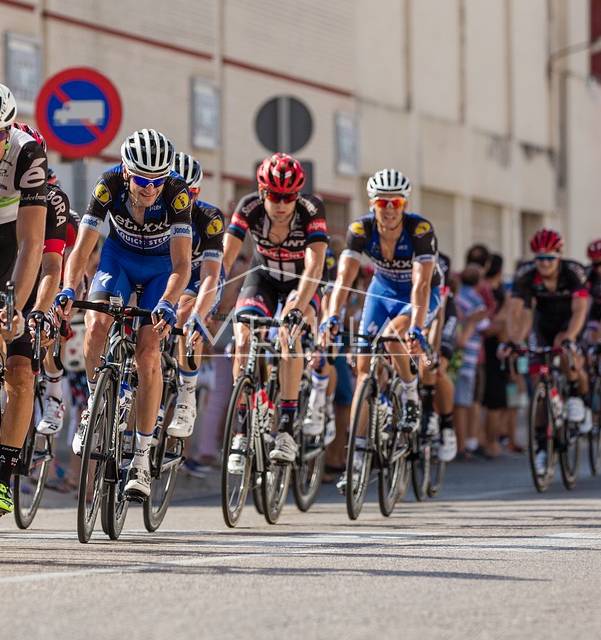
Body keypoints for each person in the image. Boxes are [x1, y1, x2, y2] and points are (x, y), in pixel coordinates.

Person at [56, 129, 192, 498]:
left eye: (158, 181)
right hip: (120, 260)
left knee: (148, 351)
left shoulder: (177, 194)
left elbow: (182, 263)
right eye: (143, 180)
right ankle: (93, 403)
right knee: (96, 322)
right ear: (127, 172)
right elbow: (82, 251)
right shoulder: (108, 185)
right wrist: (69, 288)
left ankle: (143, 459)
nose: (151, 189)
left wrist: (167, 302)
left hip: (162, 269)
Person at [326, 168, 441, 488]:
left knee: (392, 338)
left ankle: (409, 392)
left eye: (396, 203)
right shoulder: (360, 229)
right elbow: (344, 280)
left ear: (404, 203)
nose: (389, 209)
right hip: (382, 291)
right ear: (372, 204)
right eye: (382, 203)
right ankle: (357, 460)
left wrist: (417, 329)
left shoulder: (419, 228)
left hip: (418, 295)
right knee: (363, 370)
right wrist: (332, 316)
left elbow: (420, 284)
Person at [222, 152, 328, 464]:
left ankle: (285, 429)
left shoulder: (311, 209)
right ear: (261, 192)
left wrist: (297, 308)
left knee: (288, 335)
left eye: (288, 197)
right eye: (274, 196)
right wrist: (209, 294)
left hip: (302, 283)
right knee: (242, 336)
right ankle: (242, 428)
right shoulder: (249, 208)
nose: (281, 205)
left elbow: (315, 265)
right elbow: (226, 258)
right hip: (264, 278)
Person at [0, 120, 65, 516]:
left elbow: (42, 257)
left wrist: (25, 310)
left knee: (21, 372)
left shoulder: (34, 170)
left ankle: (3, 475)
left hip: (17, 258)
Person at [505, 229, 589, 475]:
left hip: (570, 322)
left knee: (567, 353)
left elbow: (580, 310)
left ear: (559, 256)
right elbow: (515, 310)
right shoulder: (526, 274)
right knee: (536, 377)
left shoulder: (574, 272)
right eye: (539, 258)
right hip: (542, 323)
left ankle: (576, 396)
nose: (544, 263)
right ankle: (542, 445)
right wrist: (512, 341)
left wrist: (571, 337)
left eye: (550, 258)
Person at [167, 152, 224, 438]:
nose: (179, 198)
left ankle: (186, 394)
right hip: (166, 275)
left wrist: (198, 316)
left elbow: (211, 275)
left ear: (197, 192)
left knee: (186, 314)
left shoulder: (209, 217)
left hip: (201, 276)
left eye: (187, 193)